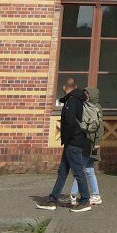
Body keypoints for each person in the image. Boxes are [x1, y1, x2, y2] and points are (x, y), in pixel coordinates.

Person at [35, 78, 93, 212]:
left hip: (73, 143)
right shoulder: (78, 100)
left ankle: (85, 200)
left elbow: (70, 123)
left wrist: (69, 138)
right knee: (63, 172)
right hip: (73, 142)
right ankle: (52, 199)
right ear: (76, 86)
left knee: (78, 172)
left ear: (63, 87)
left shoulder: (71, 101)